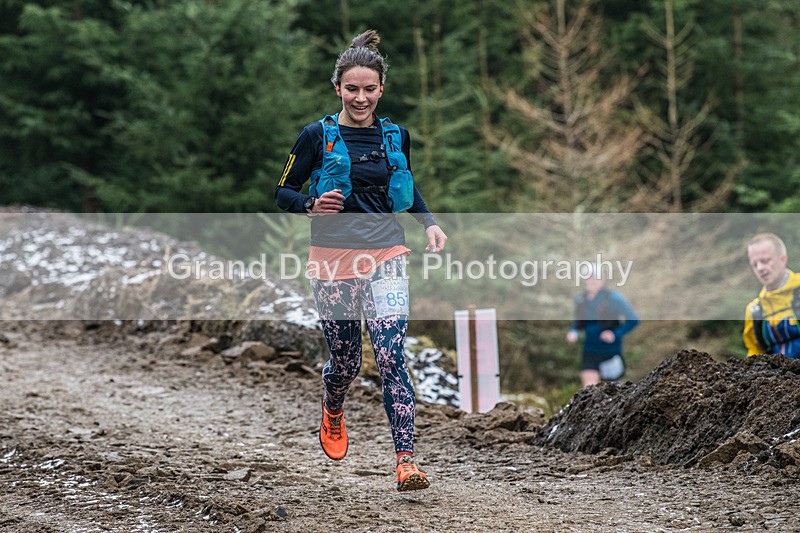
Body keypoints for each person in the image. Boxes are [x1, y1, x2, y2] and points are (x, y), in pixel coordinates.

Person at [275, 29, 447, 492]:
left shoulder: (396, 135)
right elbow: (282, 191)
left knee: (392, 356)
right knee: (347, 362)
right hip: (332, 261)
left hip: (386, 253)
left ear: (380, 89)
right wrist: (310, 205)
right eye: (352, 88)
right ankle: (333, 403)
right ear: (338, 88)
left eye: (369, 89)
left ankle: (406, 461)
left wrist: (429, 222)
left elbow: (408, 190)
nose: (360, 97)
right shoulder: (316, 136)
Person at [566, 265, 639, 387]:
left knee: (611, 391)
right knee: (588, 391)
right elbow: (578, 323)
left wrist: (614, 334)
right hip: (590, 350)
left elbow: (633, 320)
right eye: (588, 277)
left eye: (594, 277)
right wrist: (573, 331)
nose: (591, 280)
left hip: (610, 352)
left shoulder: (614, 298)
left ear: (602, 279)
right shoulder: (580, 299)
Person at [743, 233, 800, 358]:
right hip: (778, 377)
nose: (760, 268)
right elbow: (754, 354)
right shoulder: (754, 311)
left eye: (765, 261)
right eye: (755, 264)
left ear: (783, 259)